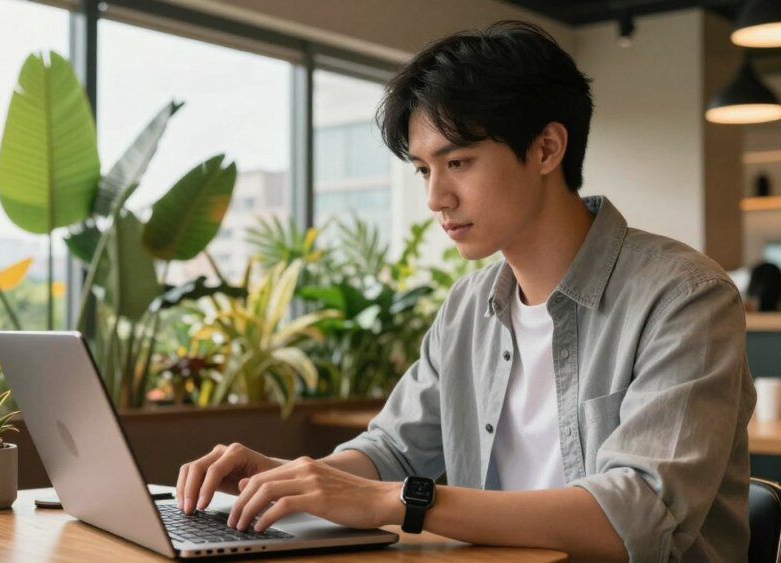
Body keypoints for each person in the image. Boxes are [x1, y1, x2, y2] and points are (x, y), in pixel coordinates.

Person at [176, 20, 754, 562]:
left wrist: (403, 502)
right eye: (425, 170)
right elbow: (394, 452)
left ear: (547, 149)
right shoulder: (468, 308)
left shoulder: (685, 297)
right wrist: (287, 478)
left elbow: (639, 515)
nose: (436, 198)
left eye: (458, 161)